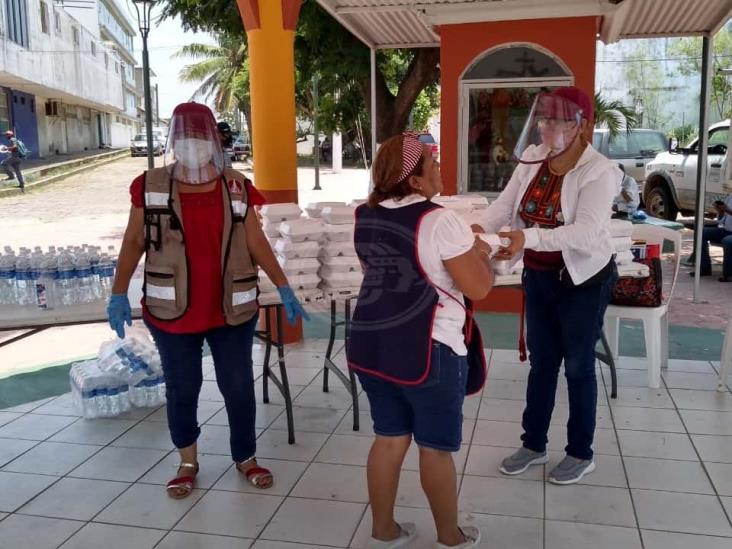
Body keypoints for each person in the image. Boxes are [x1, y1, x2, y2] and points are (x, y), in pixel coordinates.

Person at [107, 102, 309, 499]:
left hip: (231, 310)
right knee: (183, 388)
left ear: (213, 141)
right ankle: (187, 461)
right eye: (183, 138)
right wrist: (117, 292)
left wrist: (283, 285)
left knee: (237, 387)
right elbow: (133, 241)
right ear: (173, 141)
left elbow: (255, 239)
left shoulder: (235, 185)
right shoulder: (149, 185)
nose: (191, 146)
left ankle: (245, 457)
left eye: (199, 138)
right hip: (171, 314)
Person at [347, 132, 494, 548]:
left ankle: (384, 529)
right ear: (414, 180)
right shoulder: (439, 219)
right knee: (434, 448)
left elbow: (381, 271)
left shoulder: (365, 215)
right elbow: (478, 288)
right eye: (433, 163)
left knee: (389, 438)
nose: (439, 170)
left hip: (373, 345)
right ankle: (450, 536)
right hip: (428, 351)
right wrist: (480, 253)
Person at [474, 87, 621, 485]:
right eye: (544, 119)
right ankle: (533, 444)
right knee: (542, 363)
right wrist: (479, 229)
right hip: (538, 276)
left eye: (558, 121)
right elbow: (505, 205)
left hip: (583, 279)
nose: (548, 128)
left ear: (582, 127)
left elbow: (587, 232)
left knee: (577, 365)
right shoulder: (535, 157)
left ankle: (580, 452)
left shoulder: (599, 171)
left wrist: (530, 238)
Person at [692, 189, 732, 282]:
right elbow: (722, 219)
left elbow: (729, 211)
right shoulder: (730, 196)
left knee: (727, 241)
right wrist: (721, 211)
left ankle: (729, 274)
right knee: (702, 233)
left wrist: (728, 210)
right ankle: (704, 268)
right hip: (727, 230)